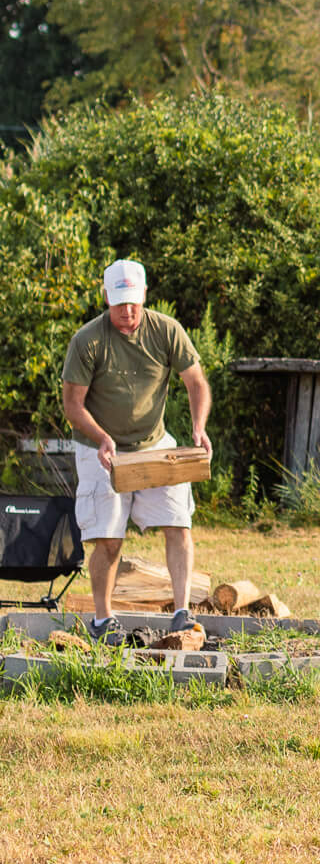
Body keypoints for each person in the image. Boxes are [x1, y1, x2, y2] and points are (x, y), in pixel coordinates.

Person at [61, 259, 212, 641]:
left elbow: (196, 382)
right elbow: (72, 407)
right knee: (109, 539)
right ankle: (102, 620)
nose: (127, 311)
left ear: (144, 295)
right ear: (107, 297)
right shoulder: (87, 340)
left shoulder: (166, 330)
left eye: (133, 302)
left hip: (154, 444)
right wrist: (102, 438)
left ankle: (181, 612)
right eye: (118, 303)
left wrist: (198, 426)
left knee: (178, 523)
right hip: (101, 448)